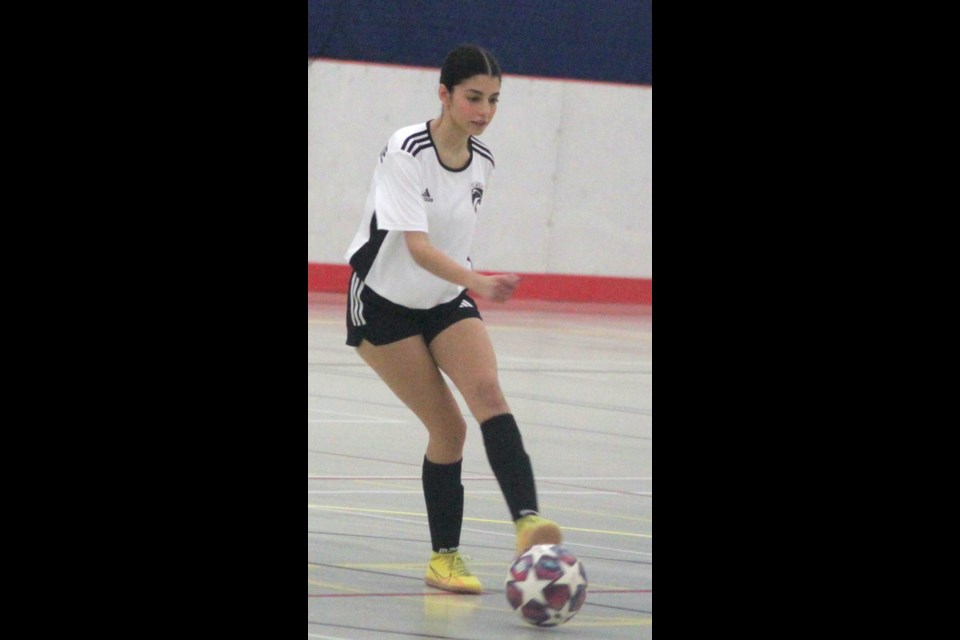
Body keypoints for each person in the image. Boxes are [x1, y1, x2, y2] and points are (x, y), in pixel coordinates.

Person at [342, 44, 562, 594]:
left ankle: (529, 520)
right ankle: (444, 558)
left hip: (445, 297)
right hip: (383, 303)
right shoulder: (406, 149)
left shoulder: (482, 161)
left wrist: (466, 284)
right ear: (444, 94)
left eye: (493, 99)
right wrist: (481, 282)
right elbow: (415, 246)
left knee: (488, 392)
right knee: (449, 428)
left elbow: (450, 246)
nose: (484, 110)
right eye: (472, 97)